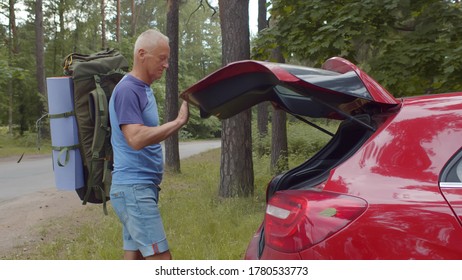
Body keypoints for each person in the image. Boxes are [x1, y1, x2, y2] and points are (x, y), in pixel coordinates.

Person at [108, 29, 189, 260]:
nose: (166, 65)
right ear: (142, 54)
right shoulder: (128, 90)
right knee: (162, 262)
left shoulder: (143, 89)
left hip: (139, 188)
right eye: (161, 58)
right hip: (134, 189)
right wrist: (178, 122)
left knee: (134, 258)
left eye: (167, 59)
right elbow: (135, 138)